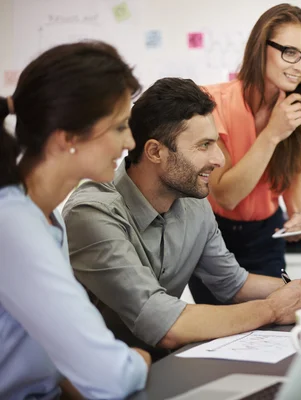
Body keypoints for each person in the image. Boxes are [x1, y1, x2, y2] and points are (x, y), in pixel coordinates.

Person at [61, 77, 301, 360]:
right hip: (98, 381)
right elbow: (166, 325)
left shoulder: (194, 202)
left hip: (159, 365)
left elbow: (234, 284)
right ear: (154, 152)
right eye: (204, 145)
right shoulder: (93, 212)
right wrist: (272, 309)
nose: (219, 159)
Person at [0, 42, 150, 399]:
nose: (130, 141)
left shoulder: (46, 217)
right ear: (66, 138)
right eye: (119, 127)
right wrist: (138, 360)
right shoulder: (13, 223)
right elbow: (112, 377)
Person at [188, 4, 301, 302]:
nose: (300, 65)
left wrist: (298, 213)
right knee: (220, 330)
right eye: (289, 52)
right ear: (260, 48)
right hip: (214, 235)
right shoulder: (212, 102)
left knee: (274, 325)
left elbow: (294, 169)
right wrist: (272, 133)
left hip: (267, 235)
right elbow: (226, 194)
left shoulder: (300, 107)